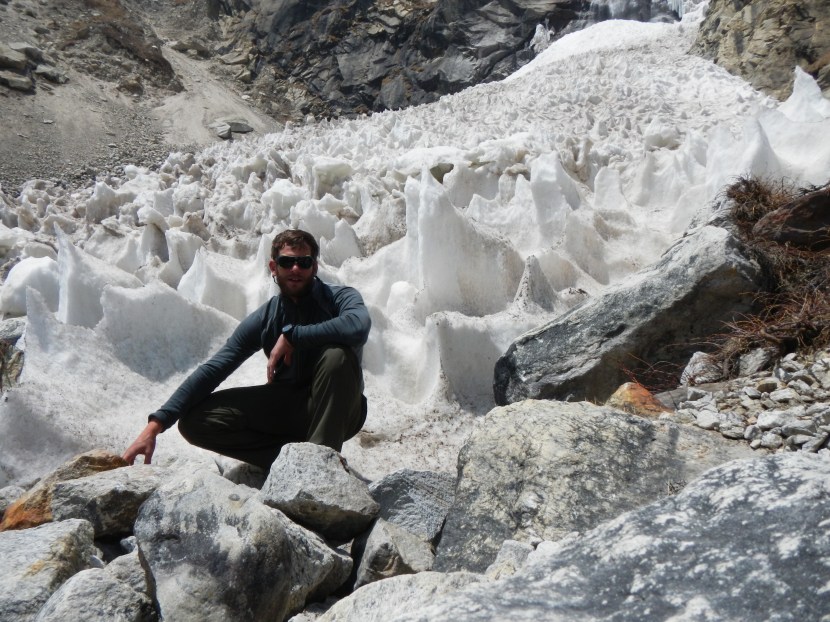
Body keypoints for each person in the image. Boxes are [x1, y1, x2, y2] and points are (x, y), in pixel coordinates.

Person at [122, 229, 371, 469]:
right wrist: (155, 425)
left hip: (343, 410)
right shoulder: (266, 318)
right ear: (274, 267)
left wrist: (294, 336)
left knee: (336, 356)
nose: (296, 269)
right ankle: (288, 463)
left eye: (304, 262)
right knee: (195, 422)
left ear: (314, 267)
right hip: (291, 408)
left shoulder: (340, 298)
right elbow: (215, 369)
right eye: (287, 262)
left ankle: (319, 468)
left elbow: (358, 326)